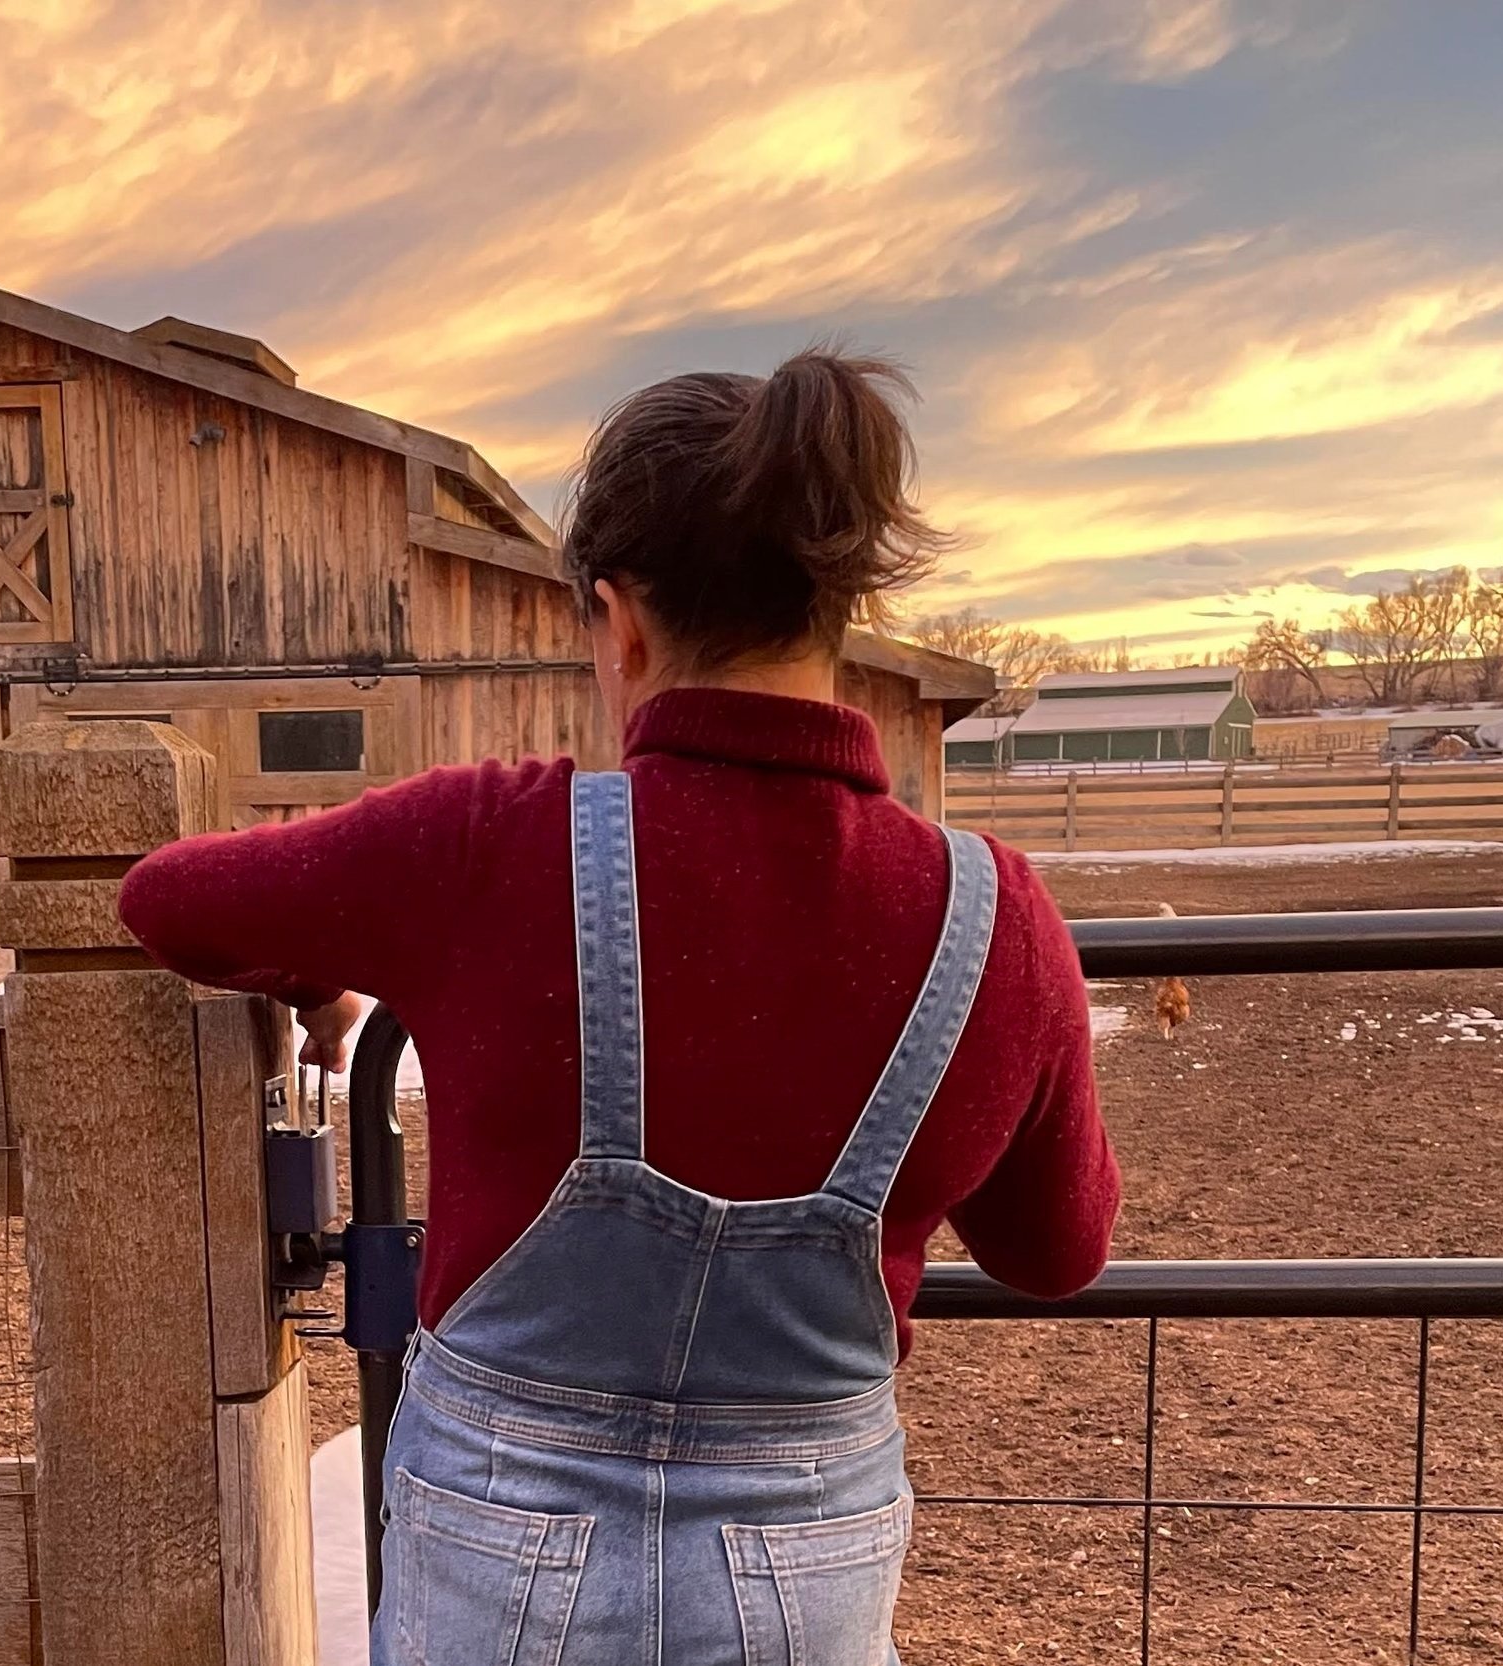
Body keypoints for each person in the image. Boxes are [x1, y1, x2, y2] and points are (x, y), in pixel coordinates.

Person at [119, 349, 1120, 1664]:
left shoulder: (490, 846)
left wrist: (320, 965)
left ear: (620, 618)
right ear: (835, 615)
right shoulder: (993, 919)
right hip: (805, 1565)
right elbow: (1058, 1247)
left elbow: (167, 900)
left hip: (497, 1544)